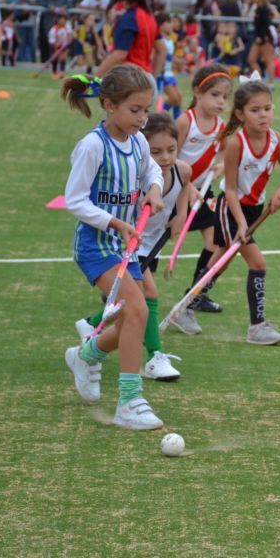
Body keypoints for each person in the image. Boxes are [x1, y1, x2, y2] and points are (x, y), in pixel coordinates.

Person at [60, 64, 166, 430]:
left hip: (125, 248)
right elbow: (74, 200)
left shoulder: (138, 141)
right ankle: (130, 400)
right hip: (95, 246)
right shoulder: (92, 146)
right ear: (109, 105)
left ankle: (86, 355)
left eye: (146, 110)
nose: (142, 118)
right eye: (135, 110)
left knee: (128, 322)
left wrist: (154, 188)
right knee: (136, 311)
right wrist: (115, 222)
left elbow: (152, 169)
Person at [75, 112, 193, 382]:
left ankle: (92, 324)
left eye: (171, 150)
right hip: (130, 241)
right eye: (156, 152)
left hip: (152, 242)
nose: (165, 158)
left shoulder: (181, 169)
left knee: (132, 305)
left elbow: (186, 185)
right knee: (147, 295)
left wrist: (181, 214)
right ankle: (154, 356)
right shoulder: (137, 177)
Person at [206, 76, 280, 345]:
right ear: (240, 114)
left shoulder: (276, 140)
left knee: (223, 257)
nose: (263, 115)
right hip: (232, 208)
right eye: (255, 110)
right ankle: (256, 327)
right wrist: (241, 224)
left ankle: (191, 300)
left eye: (267, 109)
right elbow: (231, 190)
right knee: (257, 263)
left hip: (256, 210)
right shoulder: (237, 143)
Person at [170, 63, 234, 335]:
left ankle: (194, 296)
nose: (221, 102)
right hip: (174, 187)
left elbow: (219, 156)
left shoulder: (220, 126)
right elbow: (167, 155)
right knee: (158, 239)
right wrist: (187, 186)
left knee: (214, 241)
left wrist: (220, 166)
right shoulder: (186, 121)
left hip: (201, 190)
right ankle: (129, 286)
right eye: (215, 95)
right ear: (198, 92)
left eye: (225, 97)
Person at [95, 0, 166, 81]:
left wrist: (93, 78)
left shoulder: (129, 18)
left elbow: (120, 54)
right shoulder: (150, 17)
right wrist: (152, 77)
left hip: (130, 81)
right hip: (147, 79)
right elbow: (162, 50)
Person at [246, 0, 278, 82]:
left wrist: (262, 36)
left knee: (268, 61)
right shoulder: (258, 7)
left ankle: (271, 83)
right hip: (258, 37)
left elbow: (266, 24)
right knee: (251, 59)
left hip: (265, 38)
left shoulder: (264, 8)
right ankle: (258, 78)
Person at [155, 13, 182, 118]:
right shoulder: (158, 40)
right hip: (163, 74)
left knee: (178, 98)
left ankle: (175, 120)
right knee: (174, 98)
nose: (171, 25)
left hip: (170, 73)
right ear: (161, 25)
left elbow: (169, 56)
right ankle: (159, 116)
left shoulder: (170, 40)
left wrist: (179, 61)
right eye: (169, 22)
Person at [48, 13, 70, 79]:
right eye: (62, 20)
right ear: (58, 20)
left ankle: (62, 72)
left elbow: (69, 36)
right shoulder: (53, 29)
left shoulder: (67, 27)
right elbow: (51, 41)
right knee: (55, 59)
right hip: (55, 46)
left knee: (63, 58)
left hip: (64, 46)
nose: (63, 22)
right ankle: (54, 73)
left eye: (64, 20)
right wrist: (56, 47)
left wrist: (69, 40)